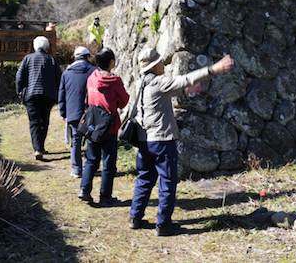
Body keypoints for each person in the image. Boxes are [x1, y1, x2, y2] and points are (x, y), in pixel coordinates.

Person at [128, 48, 234, 236]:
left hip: (144, 140)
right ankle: (164, 225)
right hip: (162, 140)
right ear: (155, 66)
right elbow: (183, 80)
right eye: (161, 62)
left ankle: (135, 218)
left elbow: (168, 91)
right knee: (167, 182)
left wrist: (186, 90)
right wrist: (214, 69)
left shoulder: (142, 83)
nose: (163, 64)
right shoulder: (160, 82)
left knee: (145, 178)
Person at [78, 47, 129, 205]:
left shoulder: (92, 76)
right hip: (109, 126)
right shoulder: (115, 81)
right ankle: (105, 197)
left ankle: (84, 190)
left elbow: (87, 98)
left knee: (91, 159)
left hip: (92, 124)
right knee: (108, 163)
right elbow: (124, 101)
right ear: (112, 62)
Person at [15, 36, 61, 160]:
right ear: (47, 48)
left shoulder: (27, 58)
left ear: (34, 47)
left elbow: (19, 76)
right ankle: (40, 146)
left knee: (34, 122)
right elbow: (59, 78)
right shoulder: (52, 60)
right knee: (44, 120)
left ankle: (37, 149)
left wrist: (19, 91)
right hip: (48, 95)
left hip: (31, 95)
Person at [58, 46, 97, 178]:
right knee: (91, 138)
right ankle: (88, 166)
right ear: (87, 57)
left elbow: (61, 94)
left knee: (76, 139)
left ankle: (76, 169)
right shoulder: (94, 71)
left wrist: (63, 113)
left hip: (73, 111)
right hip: (91, 112)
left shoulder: (67, 73)